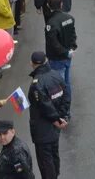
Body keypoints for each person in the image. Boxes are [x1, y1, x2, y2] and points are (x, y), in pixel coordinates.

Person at [27, 51, 70, 179]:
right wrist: (62, 115)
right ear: (46, 60)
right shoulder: (56, 75)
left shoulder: (36, 84)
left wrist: (56, 119)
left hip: (42, 129)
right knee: (54, 156)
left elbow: (45, 105)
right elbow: (66, 95)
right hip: (54, 128)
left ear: (32, 64)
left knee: (46, 163)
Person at [43, 0, 77, 103]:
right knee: (66, 84)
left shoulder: (51, 23)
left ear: (48, 6)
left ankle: (61, 112)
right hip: (68, 57)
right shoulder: (70, 18)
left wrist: (65, 52)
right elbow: (73, 36)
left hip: (57, 59)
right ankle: (66, 110)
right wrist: (71, 49)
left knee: (58, 88)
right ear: (61, 4)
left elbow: (53, 44)